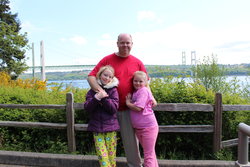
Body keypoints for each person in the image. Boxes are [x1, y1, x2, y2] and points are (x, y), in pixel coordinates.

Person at [87, 33, 157, 167]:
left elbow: (145, 83)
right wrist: (101, 93)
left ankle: (135, 166)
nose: (125, 45)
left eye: (128, 42)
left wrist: (151, 96)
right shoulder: (107, 59)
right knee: (106, 145)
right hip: (107, 110)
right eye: (122, 42)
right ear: (117, 43)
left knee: (131, 143)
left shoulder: (137, 62)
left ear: (132, 44)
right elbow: (91, 77)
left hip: (127, 110)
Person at [84, 65, 120, 167]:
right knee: (103, 158)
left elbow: (113, 109)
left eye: (110, 77)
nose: (107, 78)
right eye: (105, 75)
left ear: (112, 79)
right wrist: (96, 98)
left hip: (111, 128)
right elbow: (87, 108)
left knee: (111, 157)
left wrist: (103, 98)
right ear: (100, 75)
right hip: (97, 129)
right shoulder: (92, 91)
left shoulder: (113, 90)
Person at [126, 71, 159, 167]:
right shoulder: (137, 92)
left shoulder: (143, 91)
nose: (137, 83)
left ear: (145, 82)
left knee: (148, 155)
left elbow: (138, 108)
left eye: (140, 81)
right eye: (135, 81)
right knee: (151, 153)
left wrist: (128, 103)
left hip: (148, 127)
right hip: (140, 128)